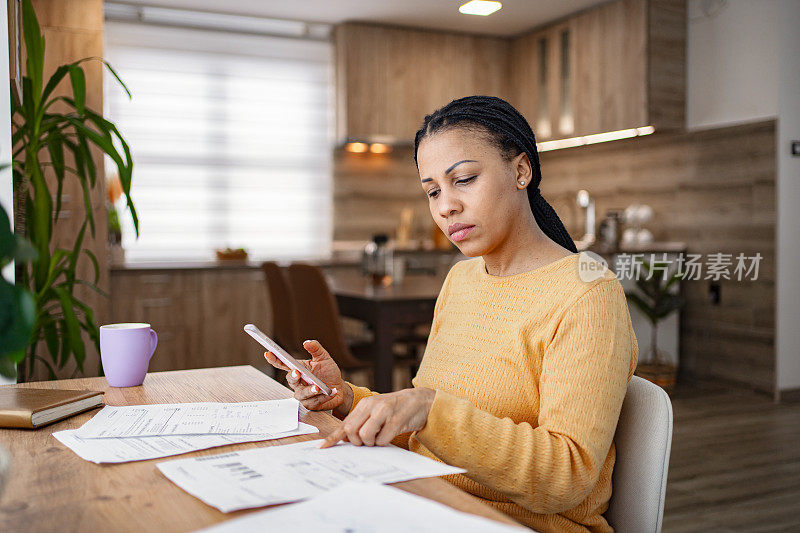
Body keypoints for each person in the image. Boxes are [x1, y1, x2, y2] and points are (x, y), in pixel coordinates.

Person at [264, 95, 638, 532]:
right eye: (433, 191)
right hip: (426, 499)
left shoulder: (587, 294)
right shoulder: (462, 280)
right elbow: (429, 431)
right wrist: (346, 398)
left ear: (521, 171)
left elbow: (567, 477)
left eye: (463, 179)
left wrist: (428, 410)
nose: (445, 207)